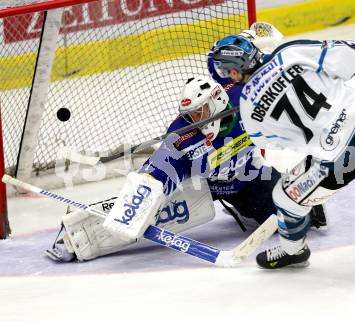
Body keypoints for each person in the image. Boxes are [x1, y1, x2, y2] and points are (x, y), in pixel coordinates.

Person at [46, 24, 327, 262]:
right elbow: (153, 173)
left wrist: (246, 41)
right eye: (191, 114)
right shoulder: (182, 136)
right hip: (195, 186)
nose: (196, 119)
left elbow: (257, 64)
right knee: (142, 213)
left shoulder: (245, 97)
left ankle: (265, 208)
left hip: (247, 178)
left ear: (217, 102)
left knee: (302, 217)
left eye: (201, 112)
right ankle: (77, 234)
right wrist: (141, 195)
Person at [210, 33, 355, 269]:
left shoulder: (248, 109)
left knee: (284, 197)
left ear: (235, 72)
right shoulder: (289, 53)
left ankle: (293, 251)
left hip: (339, 158)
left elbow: (277, 143)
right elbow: (350, 55)